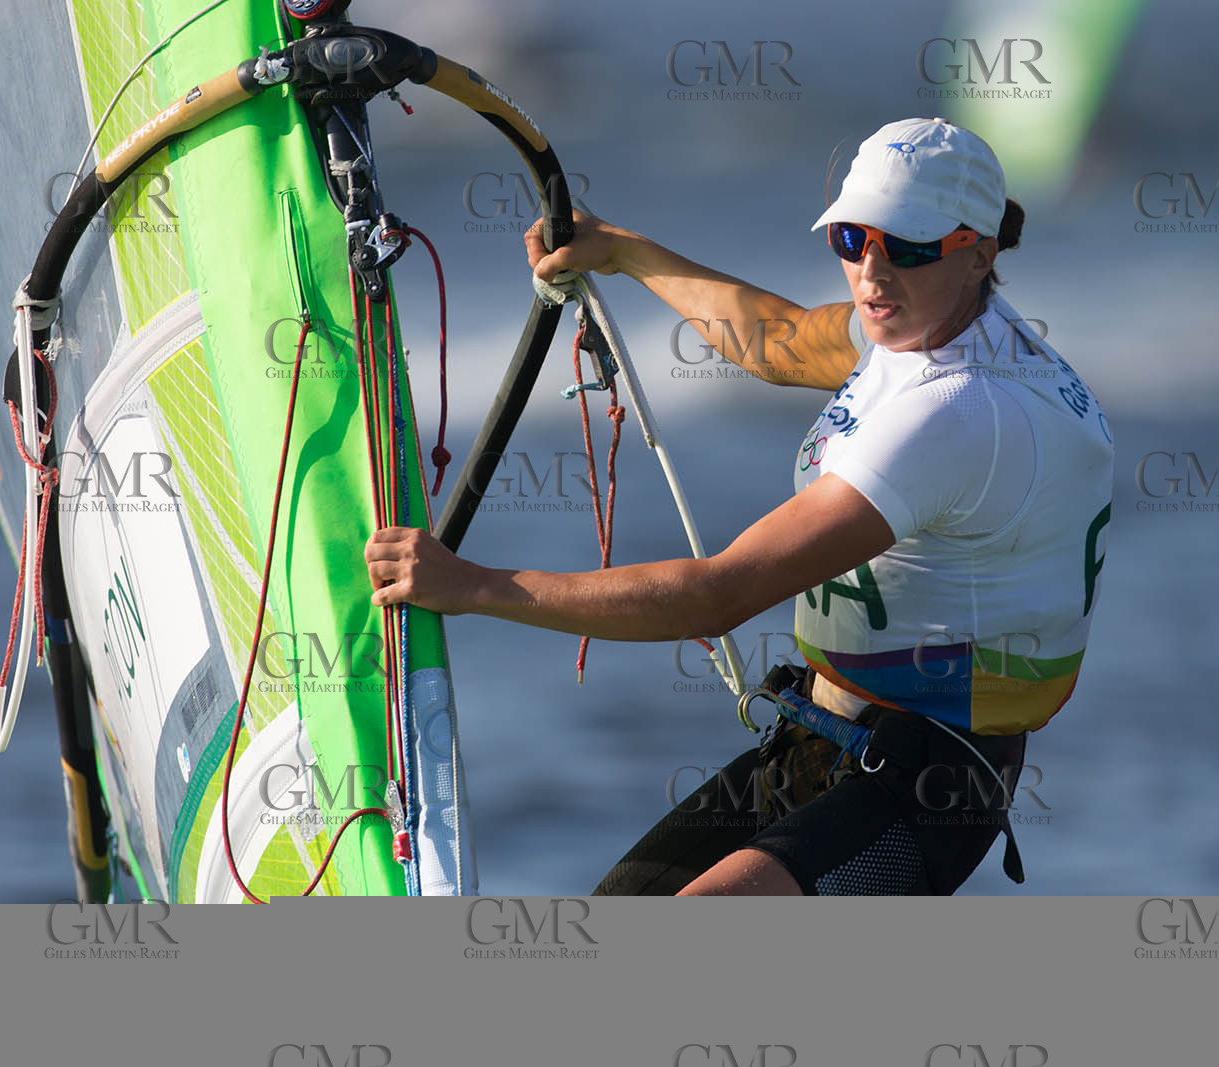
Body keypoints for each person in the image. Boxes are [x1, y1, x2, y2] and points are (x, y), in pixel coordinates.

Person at [365, 117, 1114, 895]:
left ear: (979, 253)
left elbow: (717, 596)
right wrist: (622, 251)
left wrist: (473, 586)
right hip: (826, 739)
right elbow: (779, 338)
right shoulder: (931, 328)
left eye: (909, 246)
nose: (872, 272)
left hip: (924, 792)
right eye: (853, 239)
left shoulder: (957, 412)